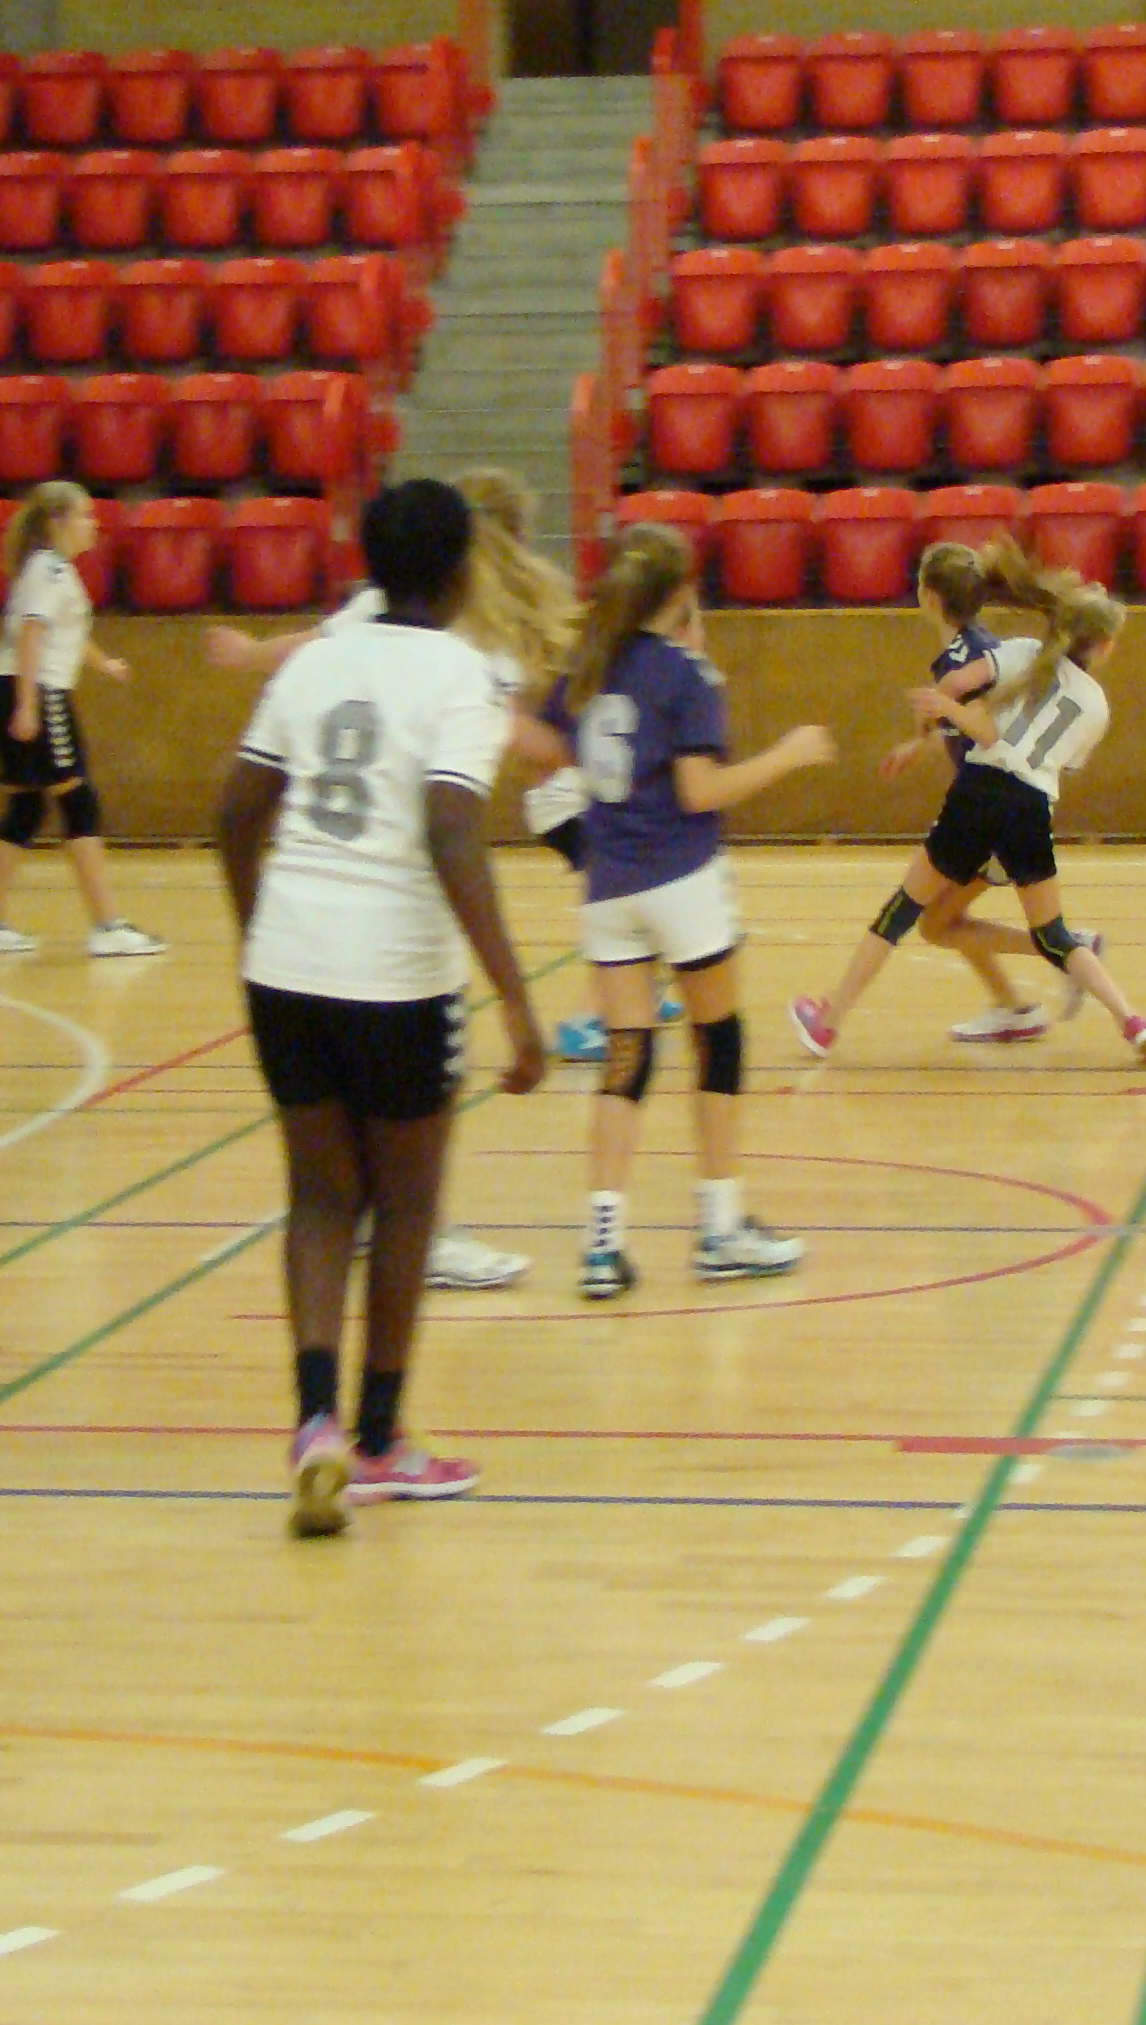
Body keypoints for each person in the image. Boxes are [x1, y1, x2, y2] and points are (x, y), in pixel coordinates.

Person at [216, 480, 548, 1537]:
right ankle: (377, 1441)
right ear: (460, 572)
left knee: (320, 1199)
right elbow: (451, 831)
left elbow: (235, 815)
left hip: (286, 965)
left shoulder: (314, 660)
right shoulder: (460, 675)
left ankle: (313, 1423)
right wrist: (517, 999)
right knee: (406, 1204)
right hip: (397, 976)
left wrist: (262, 931)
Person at [204, 466, 591, 1291]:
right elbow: (462, 800)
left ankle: (364, 1235)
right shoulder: (466, 631)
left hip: (309, 914)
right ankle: (421, 1234)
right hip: (396, 901)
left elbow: (313, 650)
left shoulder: (384, 613)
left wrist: (250, 655)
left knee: (334, 1142)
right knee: (411, 1106)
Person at [533, 522, 836, 1300]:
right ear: (681, 593)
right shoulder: (685, 672)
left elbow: (542, 744)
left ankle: (602, 1245)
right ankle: (720, 1229)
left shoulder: (587, 664)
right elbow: (700, 791)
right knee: (718, 1041)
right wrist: (789, 755)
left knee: (627, 1058)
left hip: (609, 887)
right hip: (681, 878)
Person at [791, 541, 1146, 1066]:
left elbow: (967, 699)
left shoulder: (1022, 654)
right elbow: (1059, 762)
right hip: (1032, 808)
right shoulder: (1096, 706)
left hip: (981, 793)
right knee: (1053, 934)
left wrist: (936, 714)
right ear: (1103, 647)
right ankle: (1134, 1021)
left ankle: (828, 1025)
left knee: (903, 912)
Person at [867, 541, 1061, 1044]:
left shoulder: (964, 660)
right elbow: (968, 726)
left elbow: (987, 733)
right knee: (944, 919)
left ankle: (1068, 950)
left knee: (933, 920)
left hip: (994, 811)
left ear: (929, 597)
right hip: (1000, 804)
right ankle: (1015, 1005)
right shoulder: (979, 646)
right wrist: (920, 744)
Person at [0, 480, 164, 959]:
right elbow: (31, 635)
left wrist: (104, 664)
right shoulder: (48, 569)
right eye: (85, 515)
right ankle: (108, 927)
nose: (93, 524)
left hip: (15, 688)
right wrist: (27, 705)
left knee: (26, 809)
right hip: (36, 690)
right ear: (57, 521)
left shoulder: (53, 569)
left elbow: (66, 633)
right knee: (79, 802)